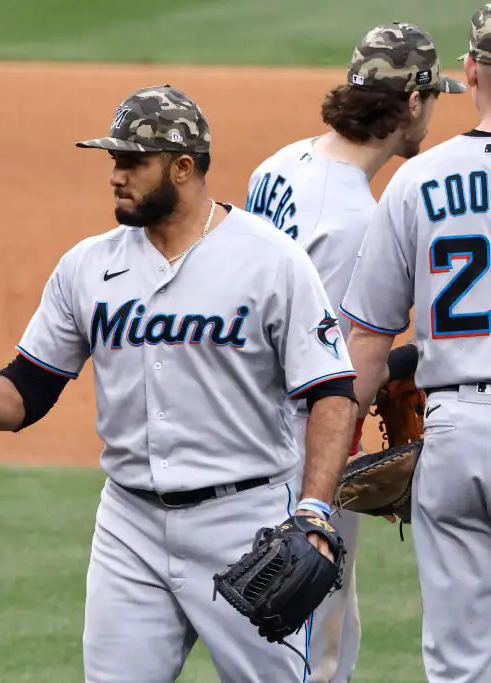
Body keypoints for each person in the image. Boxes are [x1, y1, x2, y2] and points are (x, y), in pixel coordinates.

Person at [0, 84, 357, 682]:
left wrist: (312, 510)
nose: (115, 175)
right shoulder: (88, 266)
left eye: (133, 161)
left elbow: (331, 389)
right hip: (130, 525)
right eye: (114, 159)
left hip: (248, 521)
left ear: (183, 167)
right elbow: (27, 388)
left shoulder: (271, 261)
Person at [244, 21, 464, 683]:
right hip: (300, 454)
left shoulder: (280, 165)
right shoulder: (356, 220)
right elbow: (333, 367)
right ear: (413, 103)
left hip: (239, 423)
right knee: (317, 650)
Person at [342, 6, 491, 682]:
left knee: (460, 665)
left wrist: (320, 479)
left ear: (471, 71)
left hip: (456, 430)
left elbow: (369, 339)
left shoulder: (418, 181)